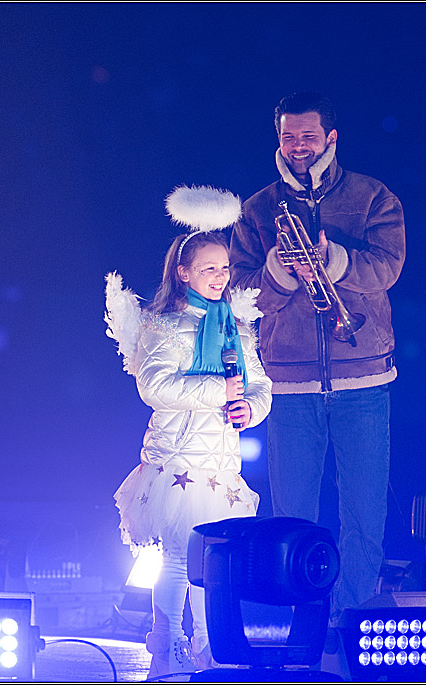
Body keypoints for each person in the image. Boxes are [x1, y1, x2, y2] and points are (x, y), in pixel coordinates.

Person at [229, 92, 405, 625]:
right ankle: (303, 622)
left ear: (331, 138)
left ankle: (350, 619)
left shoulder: (374, 197)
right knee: (294, 513)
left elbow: (388, 268)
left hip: (364, 376)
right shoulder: (258, 210)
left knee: (363, 513)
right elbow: (239, 292)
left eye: (308, 136)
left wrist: (334, 261)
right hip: (289, 381)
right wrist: (280, 274)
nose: (298, 146)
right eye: (288, 136)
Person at [107, 186, 272, 677]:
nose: (220, 278)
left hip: (221, 464)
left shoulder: (237, 328)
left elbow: (260, 384)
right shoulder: (168, 326)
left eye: (224, 268)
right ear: (183, 272)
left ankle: (208, 642)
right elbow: (154, 385)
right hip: (178, 462)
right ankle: (167, 641)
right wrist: (219, 392)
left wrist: (250, 408)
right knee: (180, 558)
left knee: (213, 562)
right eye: (208, 269)